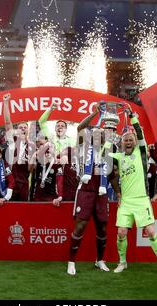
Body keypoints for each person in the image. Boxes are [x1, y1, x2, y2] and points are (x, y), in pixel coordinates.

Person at [109, 111, 157, 276]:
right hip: (126, 201)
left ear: (135, 142)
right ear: (122, 143)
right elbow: (103, 157)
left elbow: (140, 133)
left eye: (130, 140)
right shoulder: (118, 156)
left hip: (142, 200)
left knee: (150, 231)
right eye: (125, 140)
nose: (128, 141)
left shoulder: (140, 153)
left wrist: (132, 117)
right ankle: (122, 262)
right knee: (121, 232)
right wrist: (108, 139)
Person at [66, 106, 118, 276]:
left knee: (102, 227)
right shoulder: (84, 145)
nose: (100, 136)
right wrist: (94, 114)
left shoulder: (110, 151)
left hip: (102, 194)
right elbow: (80, 128)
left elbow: (111, 175)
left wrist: (118, 192)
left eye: (103, 134)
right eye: (97, 133)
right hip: (86, 191)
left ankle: (99, 260)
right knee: (80, 226)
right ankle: (71, 262)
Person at [3, 93, 36, 201]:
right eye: (20, 127)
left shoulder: (32, 145)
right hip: (11, 182)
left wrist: (33, 160)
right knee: (10, 210)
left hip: (24, 183)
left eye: (25, 127)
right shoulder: (13, 141)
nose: (22, 129)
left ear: (28, 130)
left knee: (23, 211)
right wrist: (6, 102)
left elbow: (29, 170)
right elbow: (8, 122)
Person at [29, 141, 64, 205]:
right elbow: (30, 169)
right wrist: (46, 146)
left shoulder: (57, 165)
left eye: (51, 148)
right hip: (37, 199)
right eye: (47, 149)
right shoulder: (39, 162)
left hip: (50, 199)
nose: (48, 150)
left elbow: (60, 181)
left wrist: (60, 197)